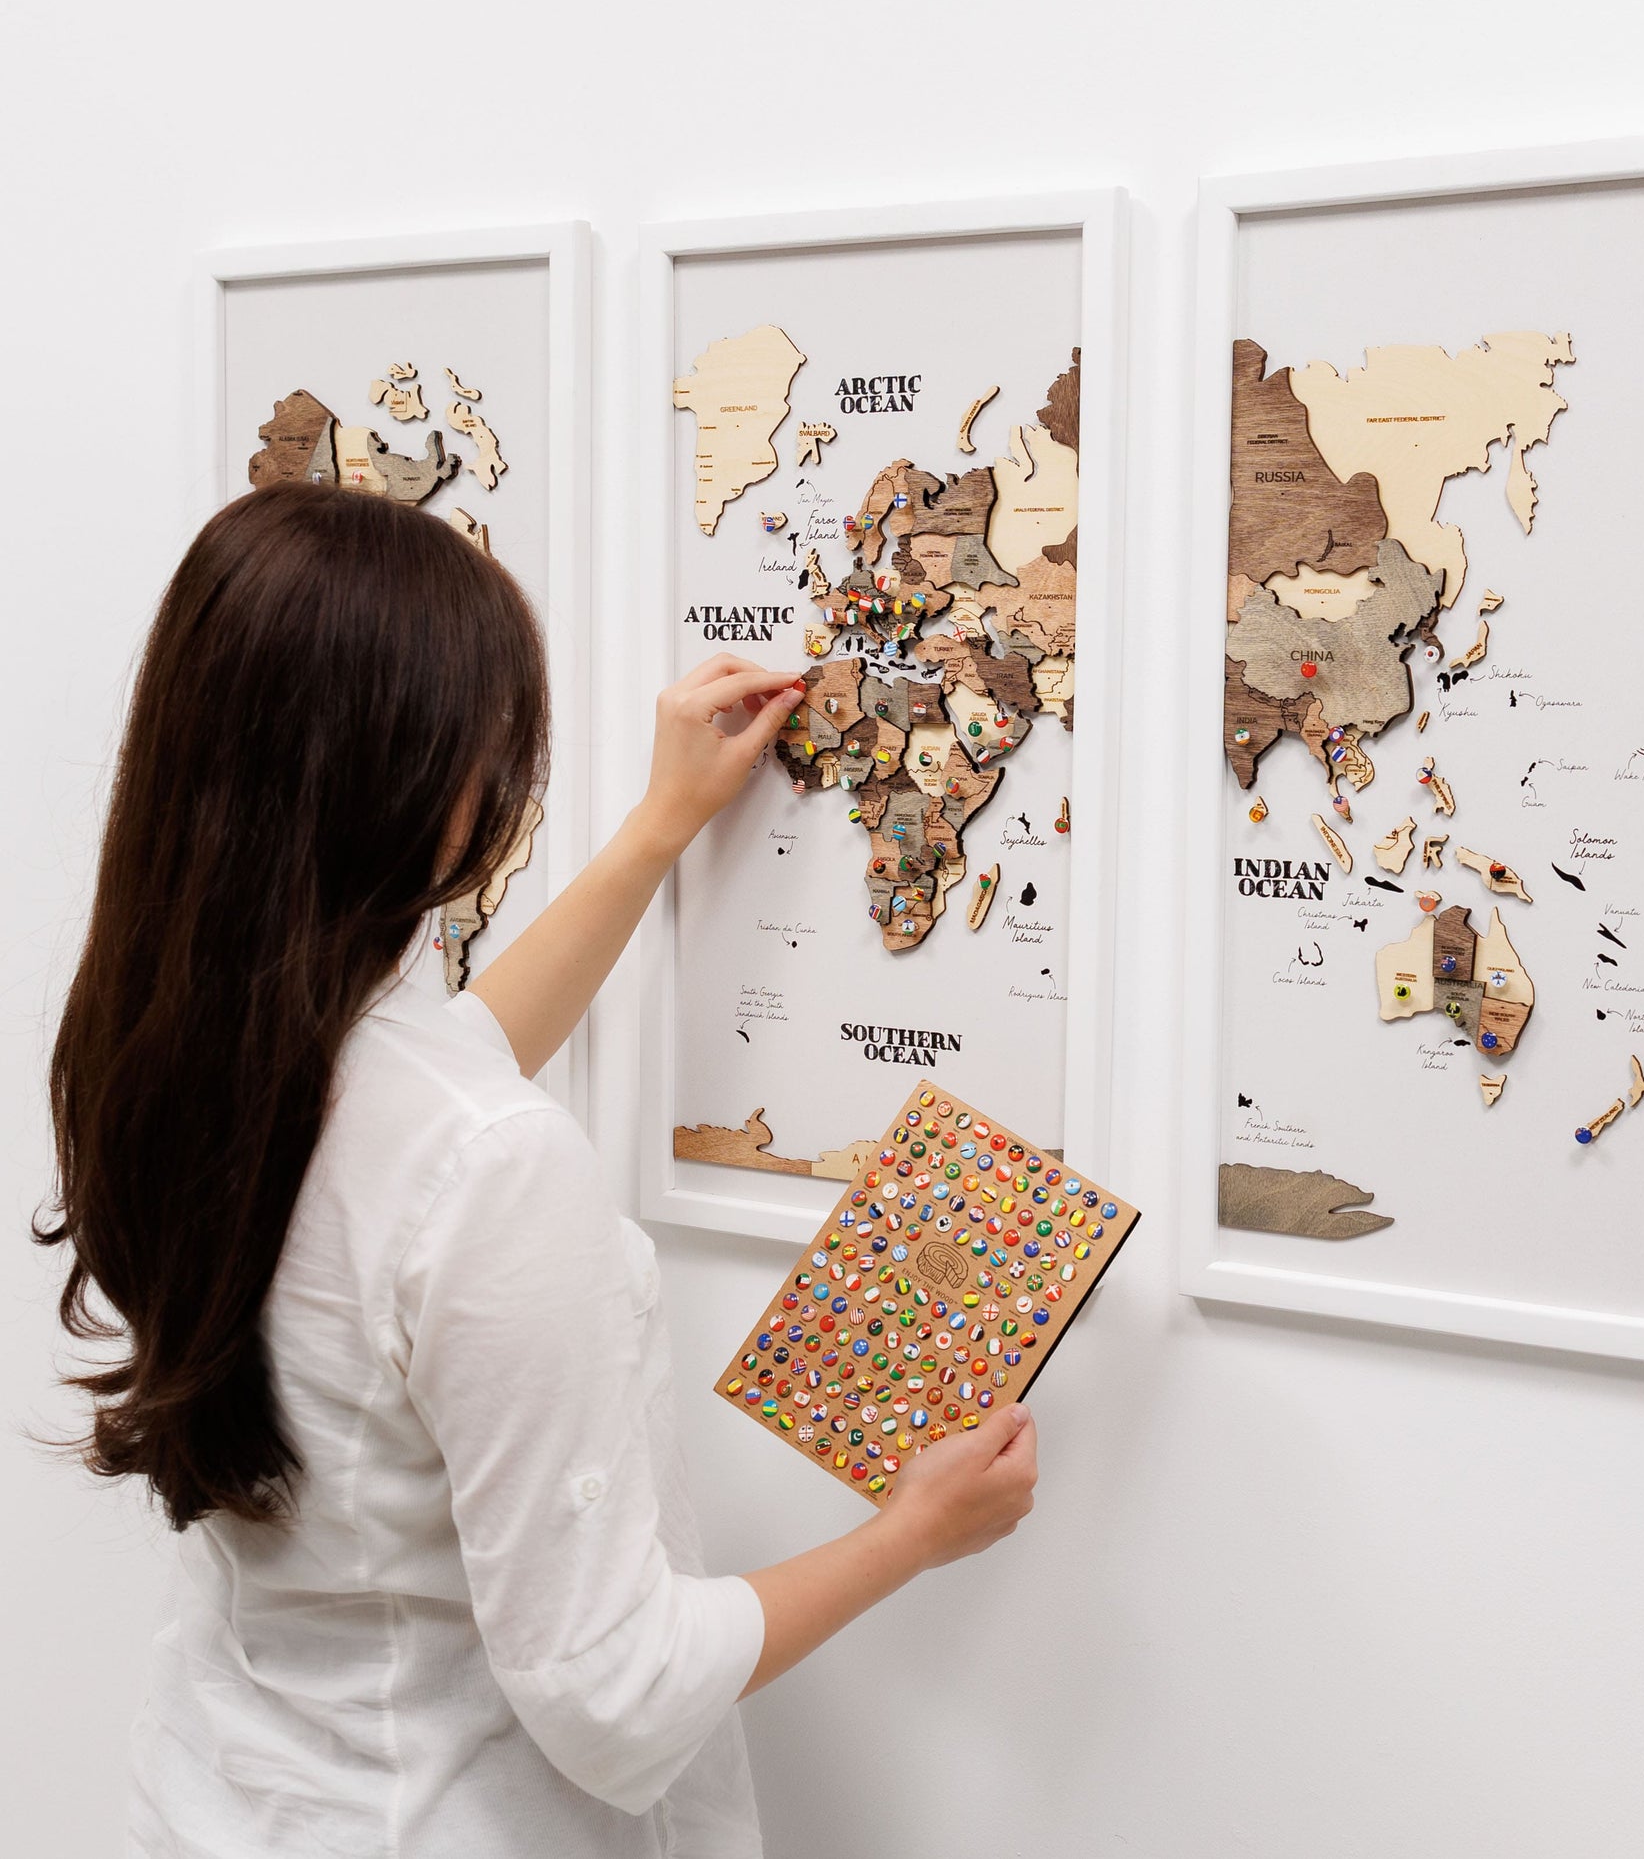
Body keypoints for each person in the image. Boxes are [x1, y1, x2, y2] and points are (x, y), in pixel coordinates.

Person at [39, 485, 1038, 1857]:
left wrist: (654, 831)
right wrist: (909, 1534)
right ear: (406, 779)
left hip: (225, 1799)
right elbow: (610, 1688)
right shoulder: (484, 1163)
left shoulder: (159, 1049)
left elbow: (438, 1078)